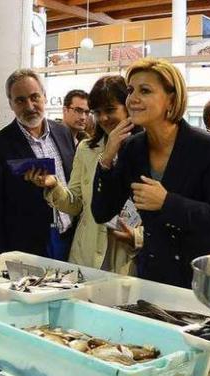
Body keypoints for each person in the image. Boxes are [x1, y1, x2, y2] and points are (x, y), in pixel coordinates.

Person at [91, 58, 210, 288]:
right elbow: (101, 212)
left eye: (145, 90)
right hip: (154, 277)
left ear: (172, 99)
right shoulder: (133, 148)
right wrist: (107, 160)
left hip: (200, 281)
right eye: (131, 91)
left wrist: (167, 202)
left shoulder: (205, 147)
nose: (133, 99)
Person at [25, 75, 141, 274]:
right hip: (86, 253)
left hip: (126, 257)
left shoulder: (149, 150)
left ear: (128, 105)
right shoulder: (87, 149)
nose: (103, 118)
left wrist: (137, 238)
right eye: (97, 112)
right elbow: (76, 204)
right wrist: (53, 186)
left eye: (111, 110)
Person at [0, 69, 76, 259]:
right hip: (27, 246)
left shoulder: (63, 133)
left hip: (70, 238)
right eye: (20, 100)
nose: (29, 106)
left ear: (44, 97)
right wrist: (0, 258)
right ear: (11, 105)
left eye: (34, 97)